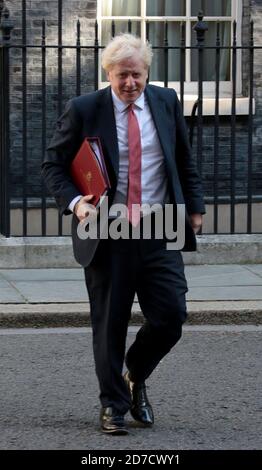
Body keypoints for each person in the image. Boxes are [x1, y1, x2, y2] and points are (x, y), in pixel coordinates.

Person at [42, 33, 205, 435]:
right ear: (108, 74)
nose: (130, 83)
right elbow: (53, 166)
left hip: (158, 223)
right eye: (122, 76)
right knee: (110, 322)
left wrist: (196, 205)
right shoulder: (84, 109)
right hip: (107, 226)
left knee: (170, 315)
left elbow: (182, 156)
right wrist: (77, 203)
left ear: (147, 72)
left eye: (137, 74)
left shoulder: (165, 102)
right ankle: (113, 406)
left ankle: (134, 375)